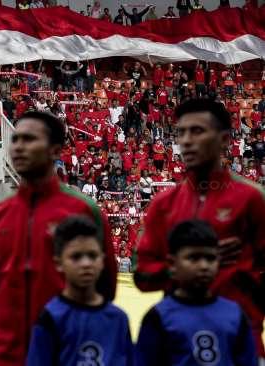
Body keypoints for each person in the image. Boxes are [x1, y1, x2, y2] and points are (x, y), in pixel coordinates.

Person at [0, 111, 117, 366]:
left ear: (55, 150)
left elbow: (106, 285)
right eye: (16, 139)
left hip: (70, 352)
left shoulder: (83, 210)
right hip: (9, 354)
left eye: (30, 139)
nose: (19, 147)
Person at [134, 99, 265, 358]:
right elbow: (142, 276)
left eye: (197, 131)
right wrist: (185, 266)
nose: (186, 140)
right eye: (181, 132)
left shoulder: (252, 199)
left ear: (225, 139)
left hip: (239, 344)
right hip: (177, 346)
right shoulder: (162, 204)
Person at [136, 220, 257, 366]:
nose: (204, 266)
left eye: (210, 258)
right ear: (172, 264)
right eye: (193, 258)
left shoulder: (236, 314)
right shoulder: (158, 317)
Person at [26, 216, 133, 366]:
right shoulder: (50, 318)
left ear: (102, 260)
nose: (86, 263)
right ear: (58, 263)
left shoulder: (118, 319)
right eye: (76, 257)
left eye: (92, 255)